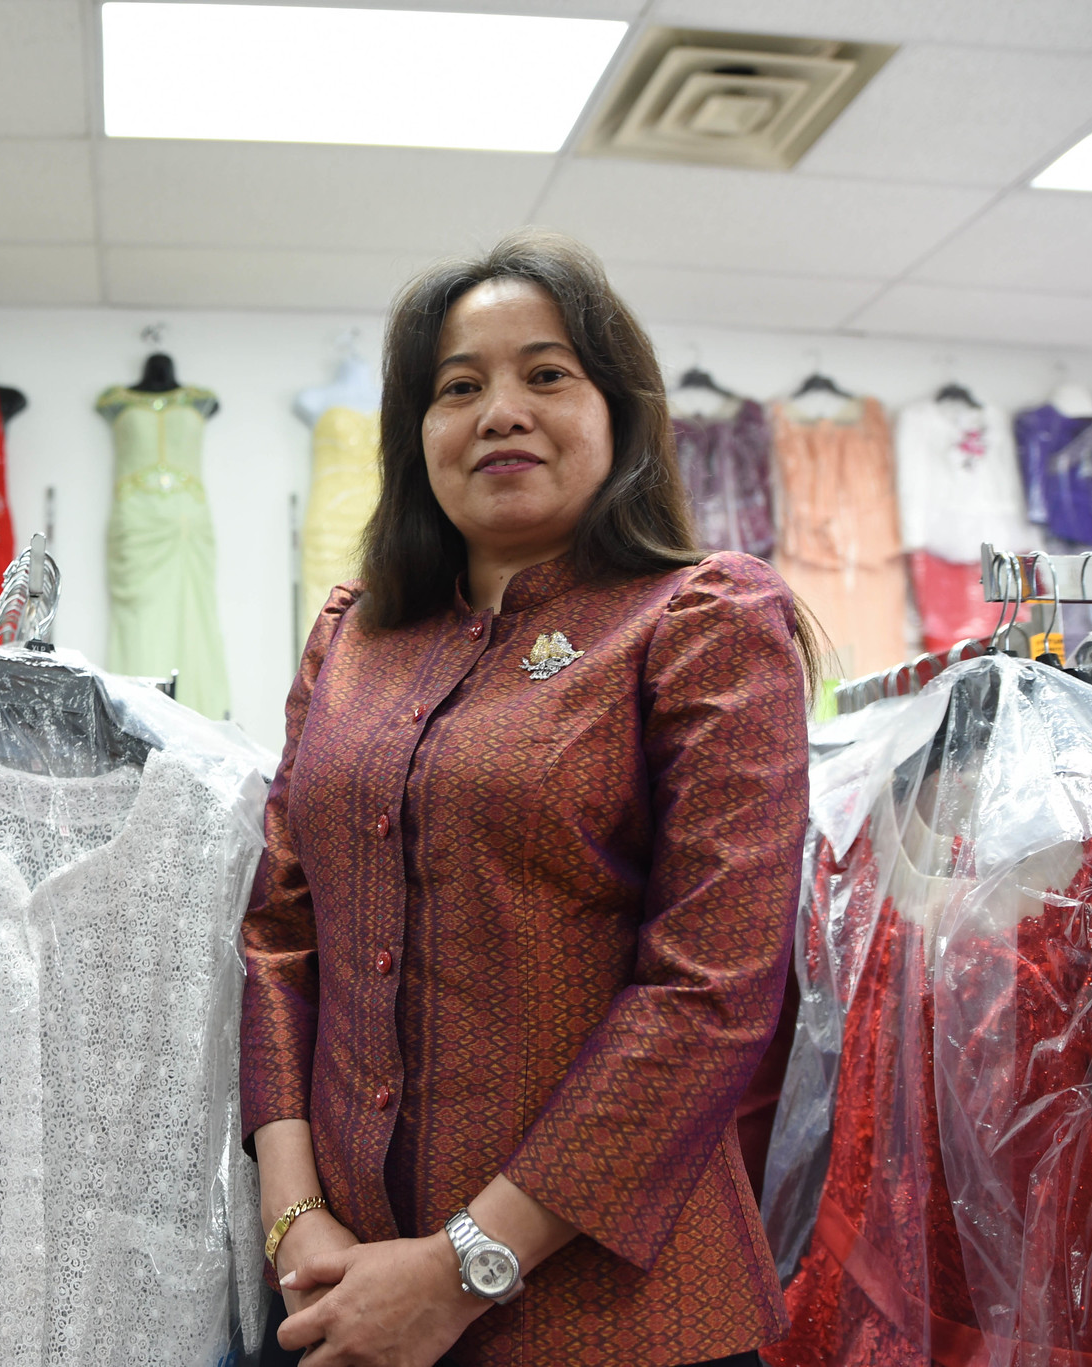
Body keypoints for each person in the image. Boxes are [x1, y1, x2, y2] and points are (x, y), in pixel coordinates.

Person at [239, 229, 822, 1367]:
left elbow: (709, 987)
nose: (499, 409)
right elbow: (278, 929)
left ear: (619, 412)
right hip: (339, 1293)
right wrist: (292, 1212)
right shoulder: (352, 638)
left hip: (619, 1321)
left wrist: (462, 1266)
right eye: (458, 386)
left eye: (545, 373)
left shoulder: (700, 620)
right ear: (417, 432)